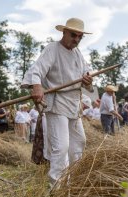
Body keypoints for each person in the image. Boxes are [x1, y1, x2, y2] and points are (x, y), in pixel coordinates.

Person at [22, 17, 94, 184]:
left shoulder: (78, 54)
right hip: (57, 104)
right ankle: (57, 186)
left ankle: (73, 182)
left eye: (79, 37)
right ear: (64, 32)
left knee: (79, 143)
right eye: (73, 35)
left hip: (74, 105)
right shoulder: (52, 49)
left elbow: (87, 75)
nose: (76, 40)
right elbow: (37, 70)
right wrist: (37, 86)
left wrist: (88, 81)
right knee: (61, 147)